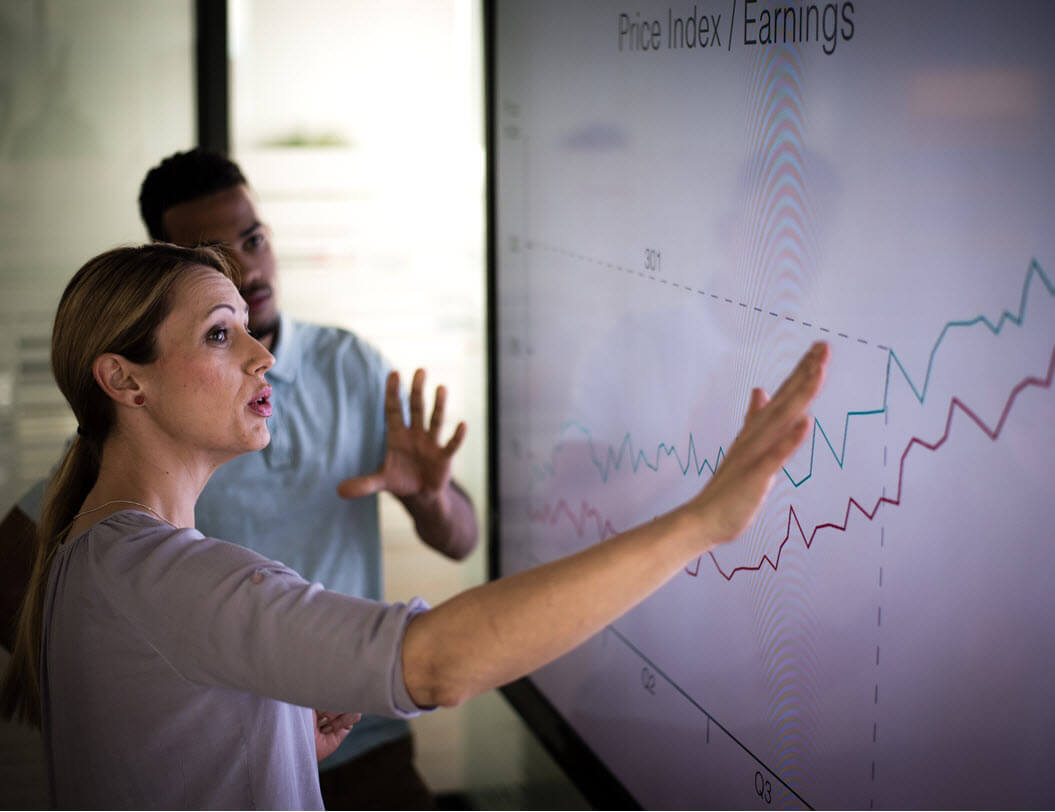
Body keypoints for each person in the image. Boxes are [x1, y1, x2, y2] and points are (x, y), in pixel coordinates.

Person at [0, 242, 829, 809]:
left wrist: (278, 737)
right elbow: (436, 668)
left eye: (249, 329)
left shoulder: (91, 554)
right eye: (220, 336)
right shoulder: (168, 573)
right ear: (123, 380)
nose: (263, 356)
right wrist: (698, 524)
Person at [0, 148, 478, 807]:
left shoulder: (350, 366)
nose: (248, 266)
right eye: (219, 333)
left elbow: (461, 540)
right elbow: (436, 662)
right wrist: (161, 714)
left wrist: (427, 498)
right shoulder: (154, 543)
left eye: (254, 239)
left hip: (342, 735)